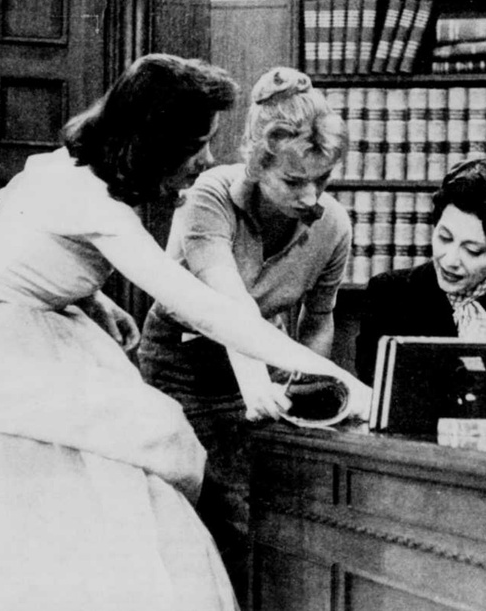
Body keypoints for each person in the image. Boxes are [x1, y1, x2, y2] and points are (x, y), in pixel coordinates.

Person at [0, 54, 370, 611]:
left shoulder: (72, 168)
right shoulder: (95, 203)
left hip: (26, 328)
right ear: (155, 143)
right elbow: (207, 308)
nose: (208, 158)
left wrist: (89, 297)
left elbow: (22, 246)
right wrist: (334, 375)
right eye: (197, 144)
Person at [137, 66, 352, 594]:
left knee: (271, 511)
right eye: (294, 182)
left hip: (262, 369)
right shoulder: (209, 195)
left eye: (323, 180)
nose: (312, 197)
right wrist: (257, 383)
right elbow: (227, 304)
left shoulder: (333, 225)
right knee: (212, 511)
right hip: (182, 365)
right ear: (257, 164)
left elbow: (319, 319)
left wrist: (304, 388)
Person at [355, 158, 486, 423]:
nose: (449, 260)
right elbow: (374, 387)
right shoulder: (389, 293)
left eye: (473, 250)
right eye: (444, 238)